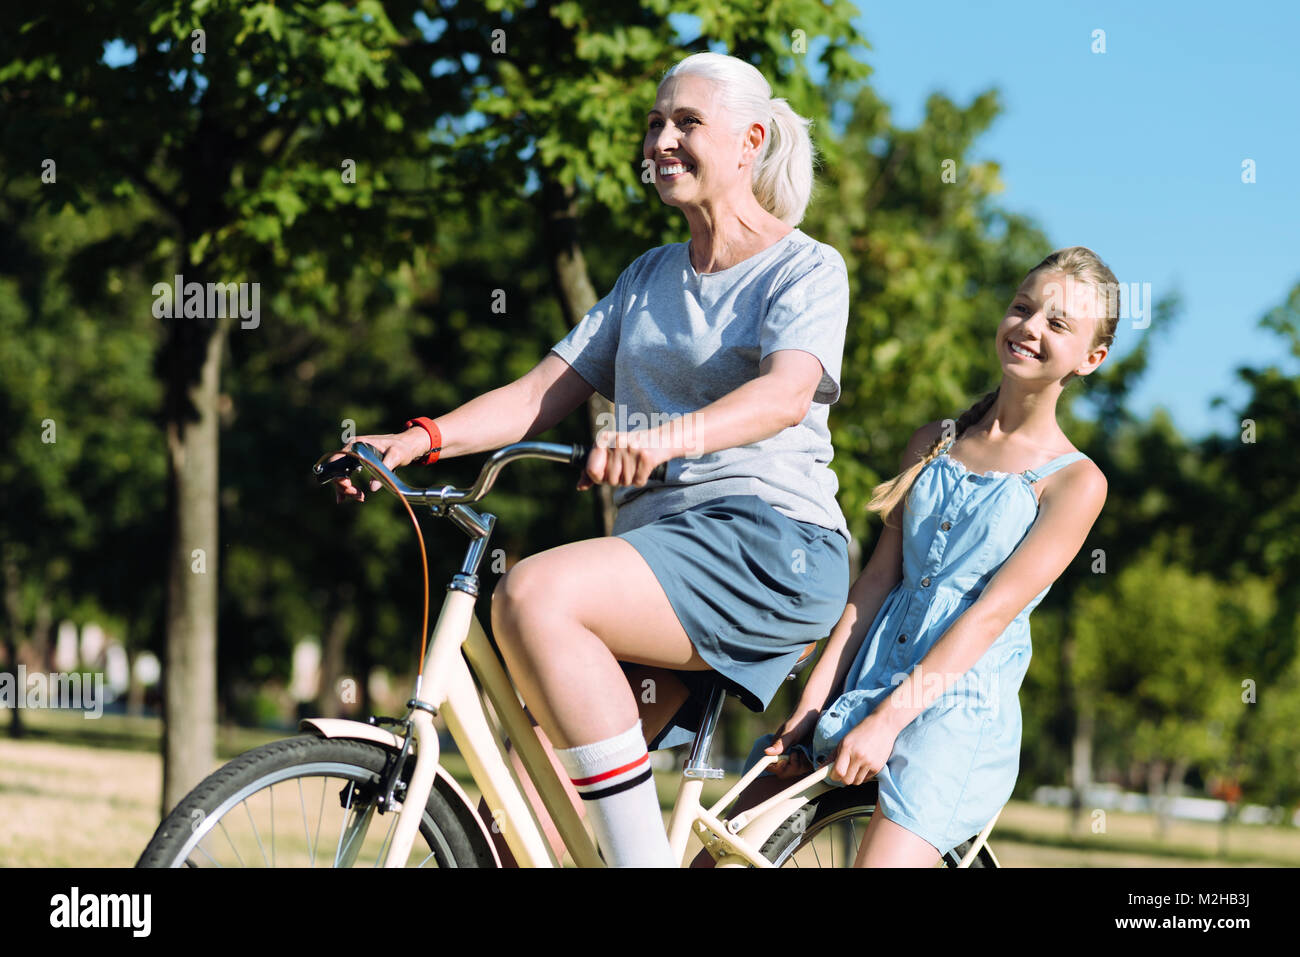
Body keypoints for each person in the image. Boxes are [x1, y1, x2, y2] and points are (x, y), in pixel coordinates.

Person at [330, 51, 852, 867]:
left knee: (534, 590)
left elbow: (785, 395)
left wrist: (662, 437)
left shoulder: (806, 267)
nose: (663, 140)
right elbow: (540, 393)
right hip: (660, 561)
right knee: (522, 824)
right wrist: (419, 439)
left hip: (769, 545)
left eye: (687, 123)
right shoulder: (647, 278)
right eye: (655, 124)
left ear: (750, 142)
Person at [742, 246, 1116, 867]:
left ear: (1091, 359)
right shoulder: (933, 442)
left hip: (953, 718)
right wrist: (811, 704)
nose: (1029, 328)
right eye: (1024, 308)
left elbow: (989, 616)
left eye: (1058, 324)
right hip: (866, 681)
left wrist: (890, 722)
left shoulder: (1075, 482)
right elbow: (876, 586)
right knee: (721, 848)